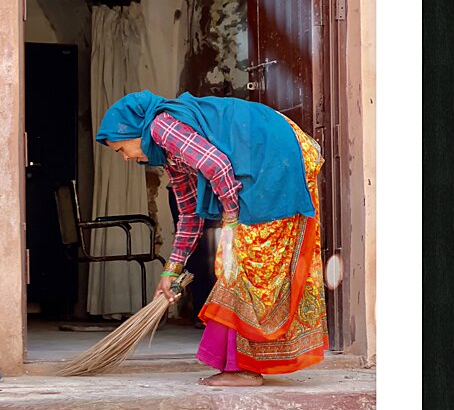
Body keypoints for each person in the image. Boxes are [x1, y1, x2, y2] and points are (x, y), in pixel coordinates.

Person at [95, 90, 328, 387]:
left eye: (121, 149)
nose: (126, 158)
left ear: (133, 131)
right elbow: (190, 214)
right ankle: (241, 365)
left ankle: (244, 369)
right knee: (236, 264)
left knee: (244, 262)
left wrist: (231, 221)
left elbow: (217, 166)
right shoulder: (171, 156)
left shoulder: (161, 127)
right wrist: (172, 269)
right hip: (273, 155)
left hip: (277, 154)